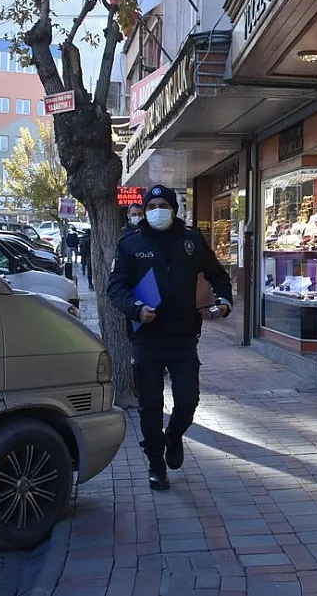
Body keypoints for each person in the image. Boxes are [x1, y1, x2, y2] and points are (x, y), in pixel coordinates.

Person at [107, 184, 233, 491]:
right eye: (151, 206)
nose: (156, 211)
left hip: (183, 336)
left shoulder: (191, 240)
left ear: (174, 208)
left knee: (188, 399)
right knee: (150, 405)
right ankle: (155, 463)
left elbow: (218, 275)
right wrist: (136, 310)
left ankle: (174, 435)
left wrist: (225, 301)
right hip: (147, 337)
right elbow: (116, 287)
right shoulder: (130, 243)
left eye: (163, 204)